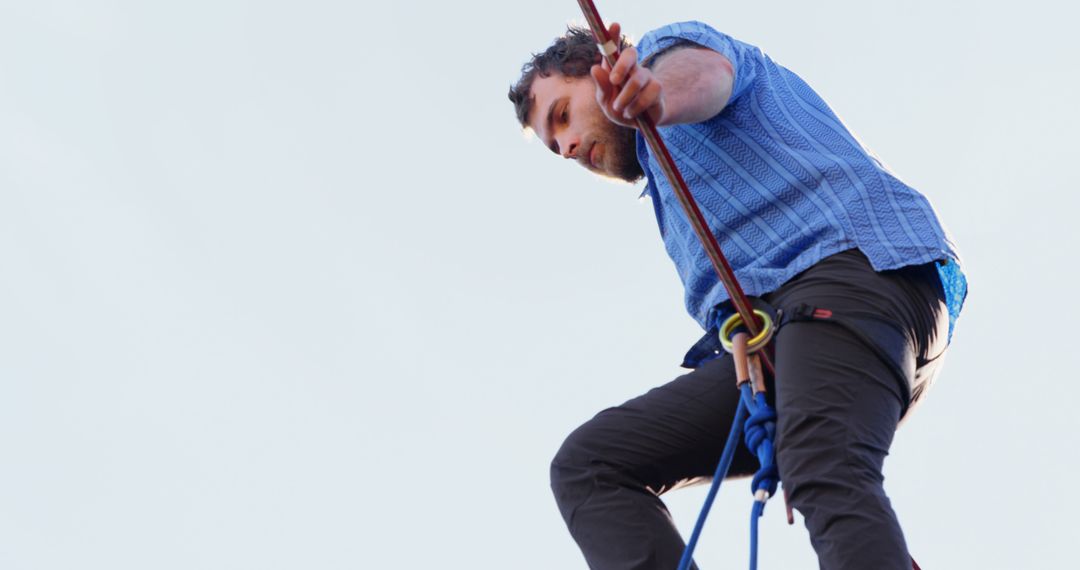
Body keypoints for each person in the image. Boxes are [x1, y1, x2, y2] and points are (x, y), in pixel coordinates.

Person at [507, 20, 966, 570]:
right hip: (788, 344)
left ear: (603, 70)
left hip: (853, 276)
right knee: (591, 464)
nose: (570, 146)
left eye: (563, 115)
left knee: (821, 464)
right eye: (556, 146)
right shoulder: (665, 191)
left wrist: (653, 94)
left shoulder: (664, 55)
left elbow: (704, 76)